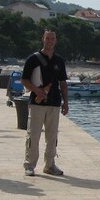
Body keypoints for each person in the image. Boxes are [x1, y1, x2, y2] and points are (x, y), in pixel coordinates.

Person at [21, 30, 69, 176]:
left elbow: (63, 82)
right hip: (37, 104)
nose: (50, 41)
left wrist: (66, 102)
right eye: (47, 38)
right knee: (33, 135)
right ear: (43, 39)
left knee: (52, 136)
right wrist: (37, 90)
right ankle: (29, 165)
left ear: (56, 40)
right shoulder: (33, 59)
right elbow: (24, 80)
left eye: (52, 38)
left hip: (54, 102)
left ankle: (50, 165)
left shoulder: (59, 60)